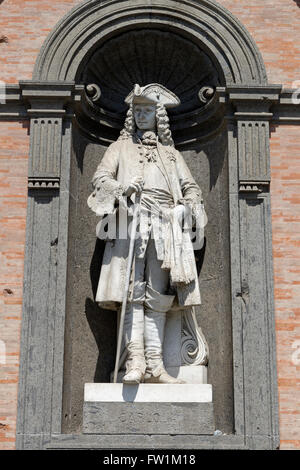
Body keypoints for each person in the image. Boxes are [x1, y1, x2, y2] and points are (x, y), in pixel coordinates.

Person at [88, 84, 206, 384]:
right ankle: (135, 363)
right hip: (130, 224)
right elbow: (100, 178)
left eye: (147, 111)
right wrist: (122, 190)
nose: (142, 116)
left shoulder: (171, 155)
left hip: (166, 227)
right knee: (132, 293)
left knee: (158, 295)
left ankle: (156, 365)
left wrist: (187, 207)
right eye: (137, 111)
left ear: (158, 116)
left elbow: (191, 188)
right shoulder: (119, 149)